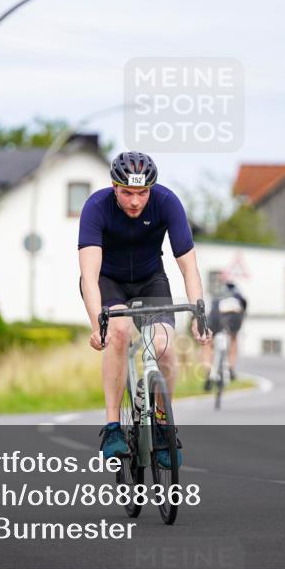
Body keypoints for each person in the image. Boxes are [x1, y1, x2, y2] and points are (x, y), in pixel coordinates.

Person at [78, 151, 211, 468]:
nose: (135, 201)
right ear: (114, 187)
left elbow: (189, 267)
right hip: (109, 282)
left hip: (151, 280)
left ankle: (164, 427)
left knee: (164, 346)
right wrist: (99, 326)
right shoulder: (96, 207)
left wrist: (198, 315)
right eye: (127, 193)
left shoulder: (167, 202)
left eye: (142, 193)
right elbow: (89, 275)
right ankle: (112, 428)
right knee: (120, 333)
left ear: (152, 188)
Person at [203, 280, 247, 389]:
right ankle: (231, 369)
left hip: (216, 315)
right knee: (233, 338)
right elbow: (244, 310)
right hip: (235, 316)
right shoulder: (238, 296)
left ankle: (208, 371)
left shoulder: (217, 296)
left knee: (208, 342)